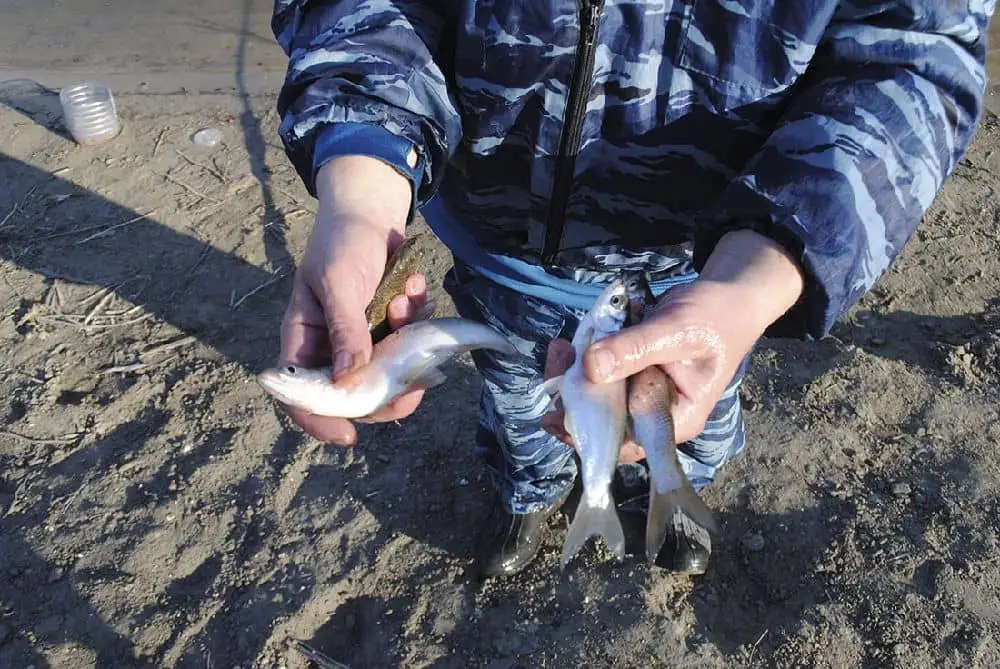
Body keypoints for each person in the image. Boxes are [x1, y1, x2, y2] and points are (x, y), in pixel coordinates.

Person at [268, 1, 993, 578]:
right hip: (500, 255)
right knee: (521, 400)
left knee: (686, 418)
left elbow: (913, 51)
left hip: (704, 273)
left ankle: (667, 496)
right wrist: (363, 196)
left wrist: (749, 287)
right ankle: (530, 496)